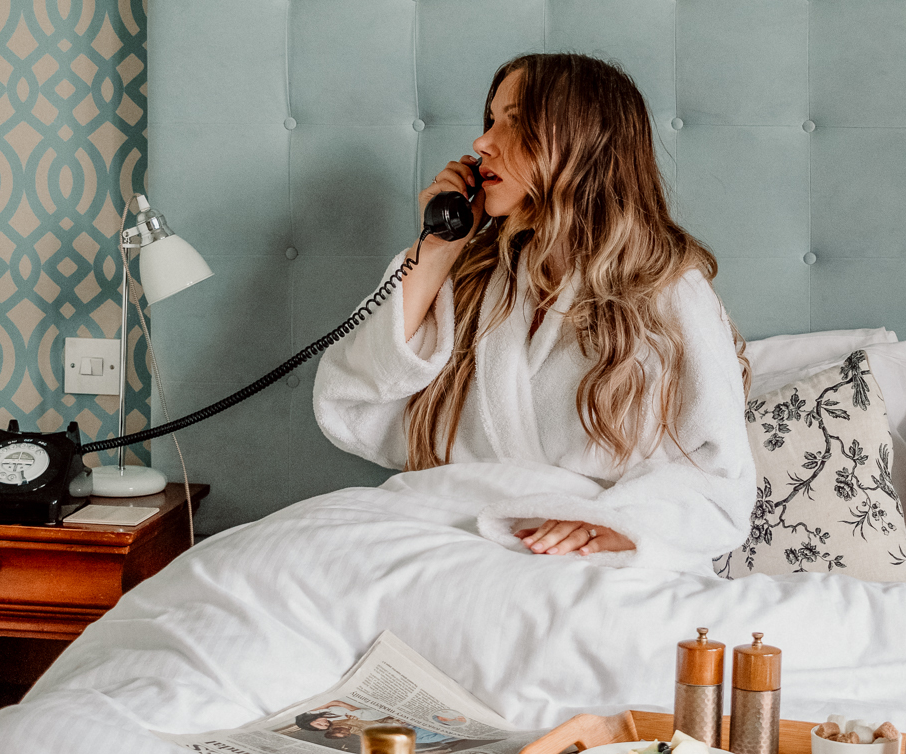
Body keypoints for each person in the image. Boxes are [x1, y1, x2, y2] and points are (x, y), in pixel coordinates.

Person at [313, 52, 756, 570]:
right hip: (456, 545)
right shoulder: (474, 282)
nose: (481, 144)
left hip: (594, 559)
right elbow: (350, 404)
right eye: (490, 121)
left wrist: (616, 522)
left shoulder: (668, 293)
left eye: (515, 123)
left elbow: (718, 483)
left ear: (581, 146)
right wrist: (437, 248)